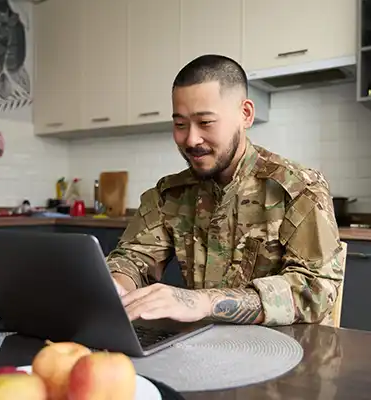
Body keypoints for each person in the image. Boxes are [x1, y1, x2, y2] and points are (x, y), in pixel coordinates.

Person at [106, 54, 345, 327]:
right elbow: (133, 258)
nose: (191, 139)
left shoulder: (298, 187)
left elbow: (315, 289)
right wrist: (117, 283)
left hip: (289, 351)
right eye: (180, 124)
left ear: (245, 114)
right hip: (203, 348)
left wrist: (203, 302)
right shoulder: (169, 194)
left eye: (205, 122)